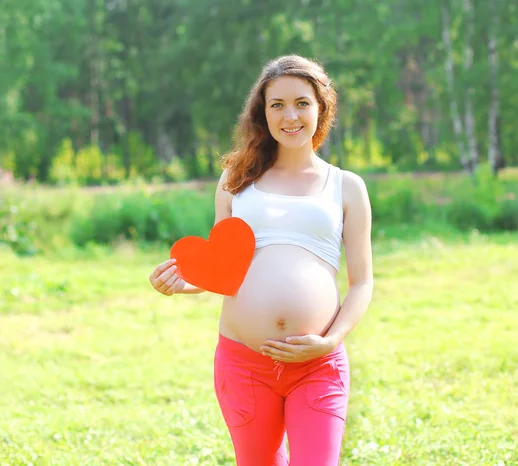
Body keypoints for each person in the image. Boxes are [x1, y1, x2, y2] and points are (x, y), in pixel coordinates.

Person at [149, 55, 373, 466]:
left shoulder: (347, 187)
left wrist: (329, 341)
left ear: (322, 108)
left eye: (302, 103)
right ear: (262, 113)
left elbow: (362, 283)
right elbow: (222, 267)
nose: (291, 115)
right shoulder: (236, 180)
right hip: (243, 363)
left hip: (317, 365)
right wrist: (186, 281)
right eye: (277, 104)